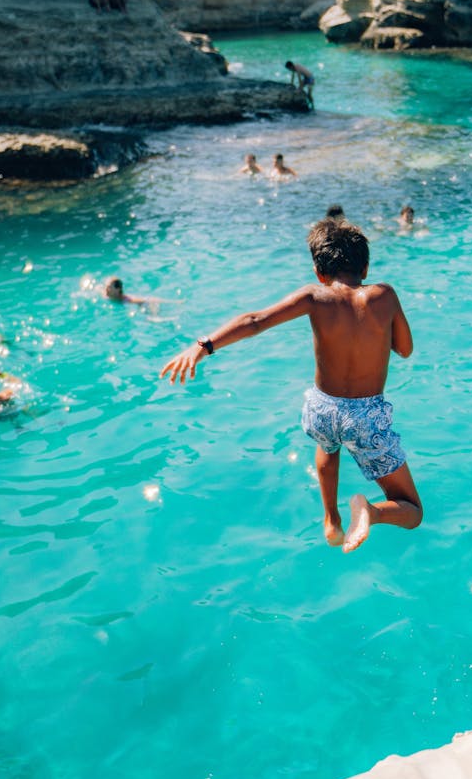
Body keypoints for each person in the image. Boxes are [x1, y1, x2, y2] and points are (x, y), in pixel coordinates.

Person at [160, 218, 422, 553]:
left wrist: (203, 346)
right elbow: (404, 349)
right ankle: (369, 511)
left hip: (322, 408)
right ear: (366, 267)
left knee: (328, 446)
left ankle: (331, 520)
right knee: (412, 510)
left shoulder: (315, 296)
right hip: (365, 417)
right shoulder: (384, 295)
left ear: (318, 272)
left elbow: (254, 321)